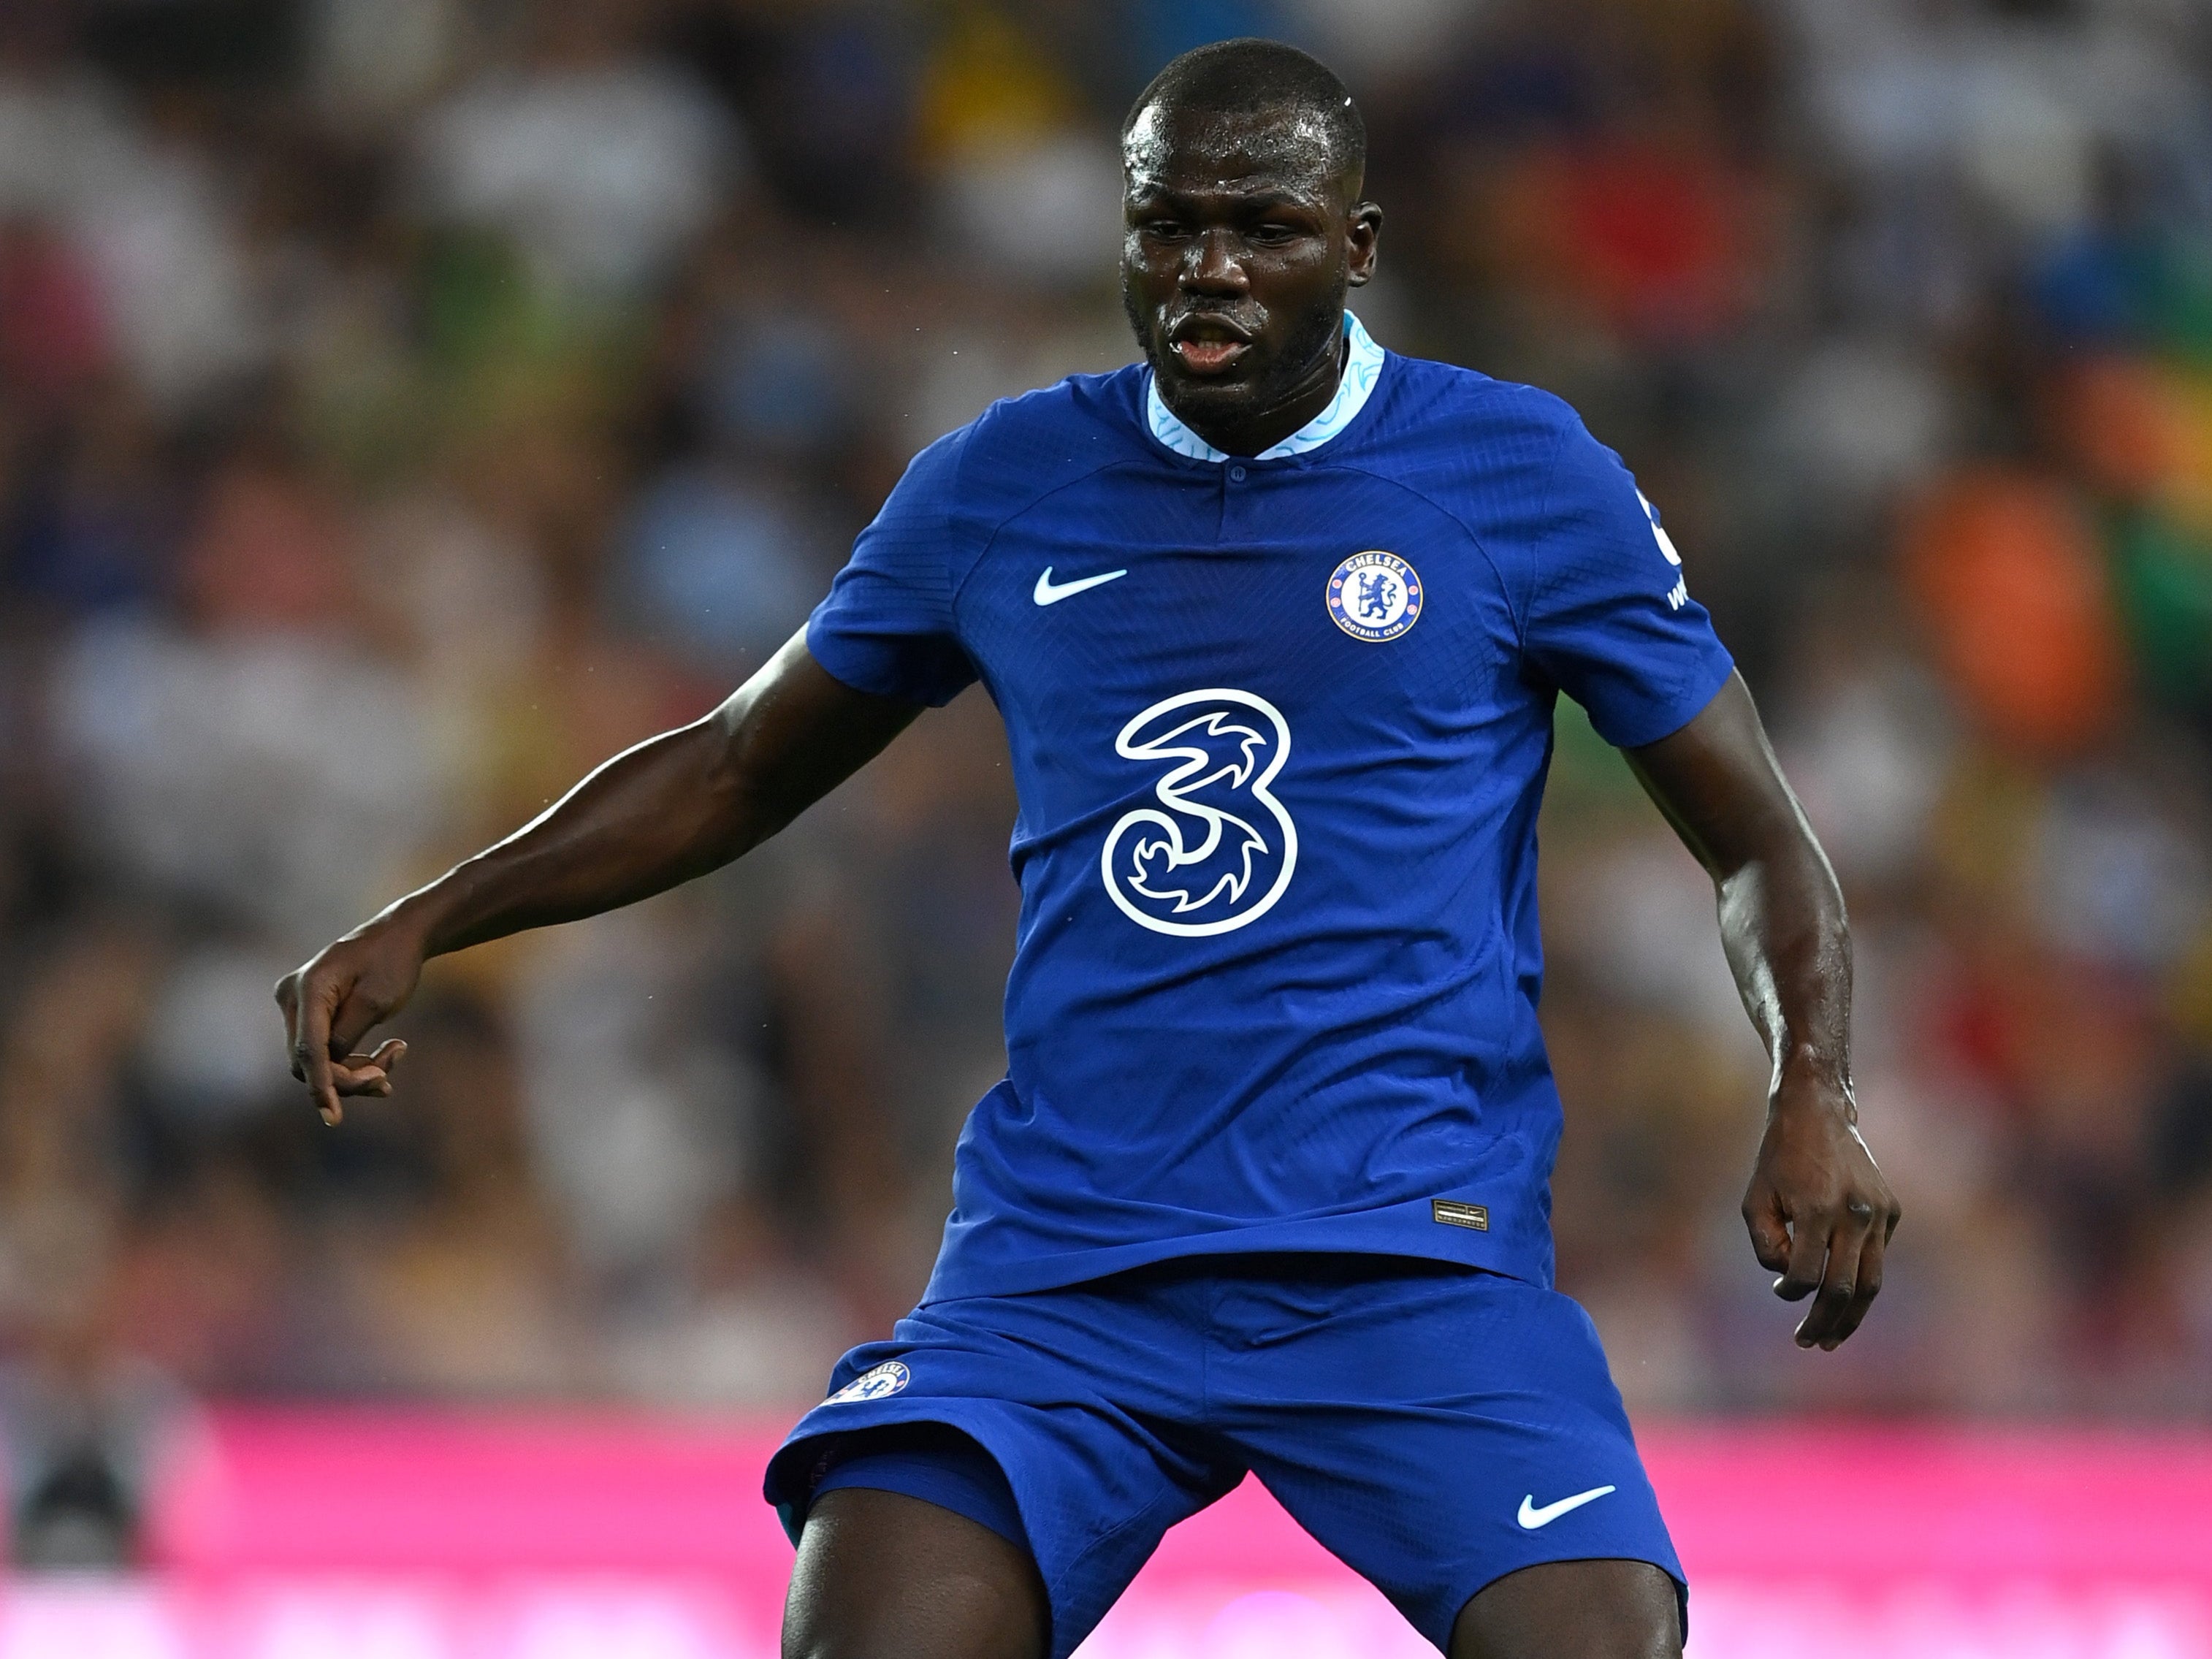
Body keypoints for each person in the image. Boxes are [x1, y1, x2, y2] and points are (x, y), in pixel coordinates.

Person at [278, 39, 1899, 1659]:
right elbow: (738, 762)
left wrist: (1807, 1087)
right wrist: (433, 914)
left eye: (1260, 226)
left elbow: (1756, 837)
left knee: (1601, 1642)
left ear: (1356, 243)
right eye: (1164, 223)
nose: (1205, 268)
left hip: (1407, 1262)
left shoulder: (1518, 475)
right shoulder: (1000, 484)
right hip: (1066, 1269)